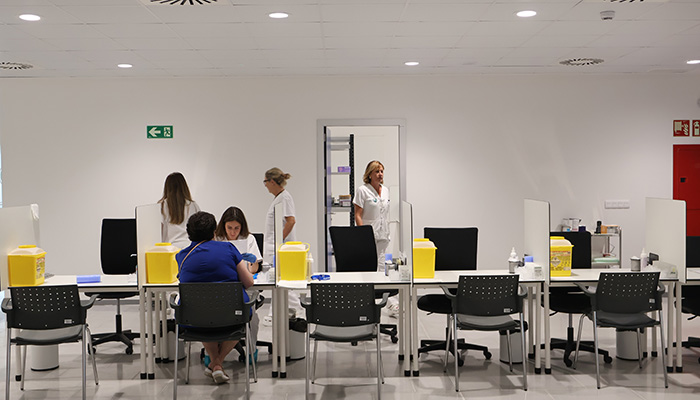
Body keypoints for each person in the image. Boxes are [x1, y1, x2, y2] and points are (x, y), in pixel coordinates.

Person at [177, 211, 255, 384]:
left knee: (205, 314)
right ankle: (217, 363)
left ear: (189, 233)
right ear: (214, 231)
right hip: (232, 317)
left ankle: (215, 364)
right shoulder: (228, 248)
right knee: (243, 316)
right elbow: (249, 282)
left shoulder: (181, 255)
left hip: (194, 319)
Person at [215, 206, 262, 361]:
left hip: (243, 287)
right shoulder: (216, 239)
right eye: (229, 228)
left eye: (237, 228)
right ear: (223, 225)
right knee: (212, 314)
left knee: (252, 318)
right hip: (220, 287)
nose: (233, 232)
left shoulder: (248, 239)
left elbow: (254, 269)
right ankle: (212, 353)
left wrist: (252, 262)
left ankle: (251, 351)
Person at [353, 160, 398, 316]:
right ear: (370, 174)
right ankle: (369, 302)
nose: (380, 174)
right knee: (369, 268)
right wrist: (362, 234)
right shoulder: (362, 190)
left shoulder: (385, 190)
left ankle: (389, 302)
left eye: (382, 171)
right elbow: (358, 215)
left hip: (383, 234)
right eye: (377, 171)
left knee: (383, 267)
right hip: (368, 235)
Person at [262, 167, 302, 320]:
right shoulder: (279, 198)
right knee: (278, 281)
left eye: (265, 181)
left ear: (272, 181)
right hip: (276, 248)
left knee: (283, 282)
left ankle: (296, 311)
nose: (265, 185)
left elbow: (291, 221)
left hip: (281, 248)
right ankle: (277, 313)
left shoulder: (284, 198)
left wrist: (279, 241)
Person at [159, 172, 200, 249]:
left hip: (168, 248)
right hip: (189, 247)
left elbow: (158, 231)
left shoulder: (161, 206)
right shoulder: (193, 205)